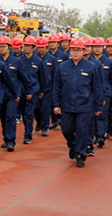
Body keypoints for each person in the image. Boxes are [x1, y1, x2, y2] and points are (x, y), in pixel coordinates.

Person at [53, 38, 103, 168]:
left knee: (82, 130)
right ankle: (73, 145)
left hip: (85, 106)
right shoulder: (62, 67)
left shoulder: (91, 67)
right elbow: (57, 87)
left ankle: (81, 154)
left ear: (83, 51)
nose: (75, 53)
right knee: (66, 129)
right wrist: (56, 104)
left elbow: (97, 88)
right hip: (67, 104)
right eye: (73, 50)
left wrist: (98, 106)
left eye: (78, 50)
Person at [19, 36, 47, 144]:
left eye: (29, 46)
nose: (26, 48)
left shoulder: (38, 61)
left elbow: (42, 77)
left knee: (29, 113)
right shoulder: (19, 60)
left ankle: (28, 134)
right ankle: (29, 128)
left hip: (33, 90)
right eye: (25, 46)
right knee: (23, 113)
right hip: (21, 90)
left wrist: (42, 91)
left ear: (33, 47)